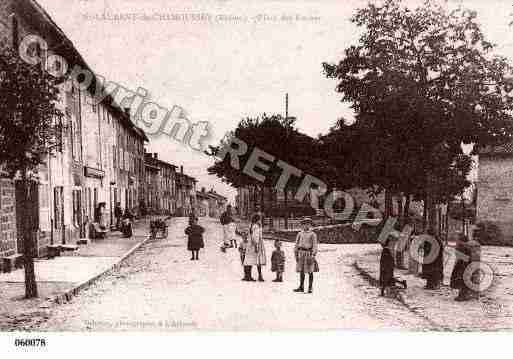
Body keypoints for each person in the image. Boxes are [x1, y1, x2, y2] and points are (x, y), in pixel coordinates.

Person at [294, 218, 319, 293]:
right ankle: (301, 286)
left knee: (310, 271)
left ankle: (310, 287)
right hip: (301, 253)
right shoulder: (300, 234)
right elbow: (296, 244)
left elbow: (315, 245)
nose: (306, 225)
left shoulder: (313, 234)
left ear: (310, 225)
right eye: (305, 224)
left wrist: (313, 254)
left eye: (308, 224)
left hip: (308, 253)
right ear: (302, 225)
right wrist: (296, 254)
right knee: (301, 270)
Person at [450, 232, 473, 301]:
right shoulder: (466, 245)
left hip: (463, 265)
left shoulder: (462, 246)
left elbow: (463, 257)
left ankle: (463, 296)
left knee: (462, 279)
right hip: (466, 264)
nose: (456, 239)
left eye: (457, 238)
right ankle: (465, 294)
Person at [243, 214, 266, 281]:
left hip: (250, 244)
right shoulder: (256, 226)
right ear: (257, 220)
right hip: (255, 244)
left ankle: (248, 275)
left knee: (249, 259)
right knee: (257, 260)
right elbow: (255, 237)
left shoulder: (252, 225)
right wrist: (256, 245)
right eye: (260, 219)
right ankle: (258, 276)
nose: (260, 221)